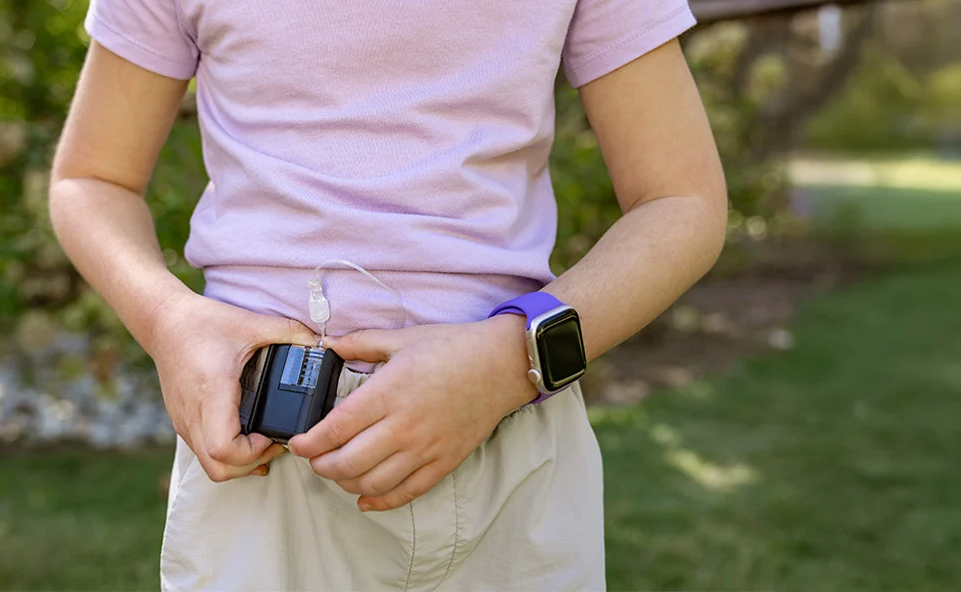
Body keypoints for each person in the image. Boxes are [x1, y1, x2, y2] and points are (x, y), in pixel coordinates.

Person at [47, 0, 726, 588]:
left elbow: (681, 200)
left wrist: (507, 359)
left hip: (505, 431)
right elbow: (92, 178)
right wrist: (170, 322)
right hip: (262, 446)